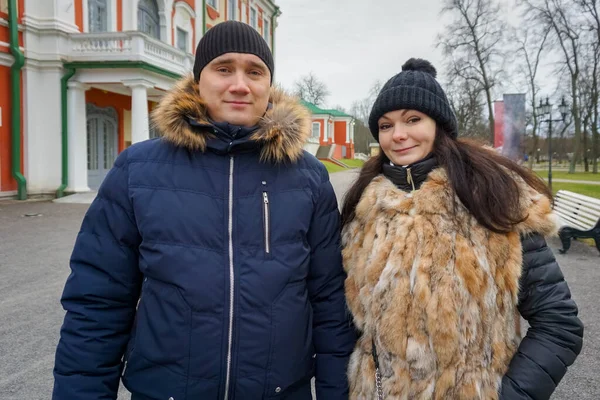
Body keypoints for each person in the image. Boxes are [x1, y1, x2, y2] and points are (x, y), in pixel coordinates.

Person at [53, 21, 356, 400]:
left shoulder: (307, 177)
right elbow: (97, 302)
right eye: (224, 68)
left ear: (269, 86)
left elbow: (330, 302)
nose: (240, 84)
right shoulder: (138, 171)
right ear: (199, 81)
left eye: (255, 71)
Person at [340, 58, 583, 399]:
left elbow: (559, 324)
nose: (398, 134)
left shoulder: (495, 199)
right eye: (385, 124)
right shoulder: (363, 210)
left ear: (439, 125)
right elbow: (348, 323)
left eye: (413, 119)